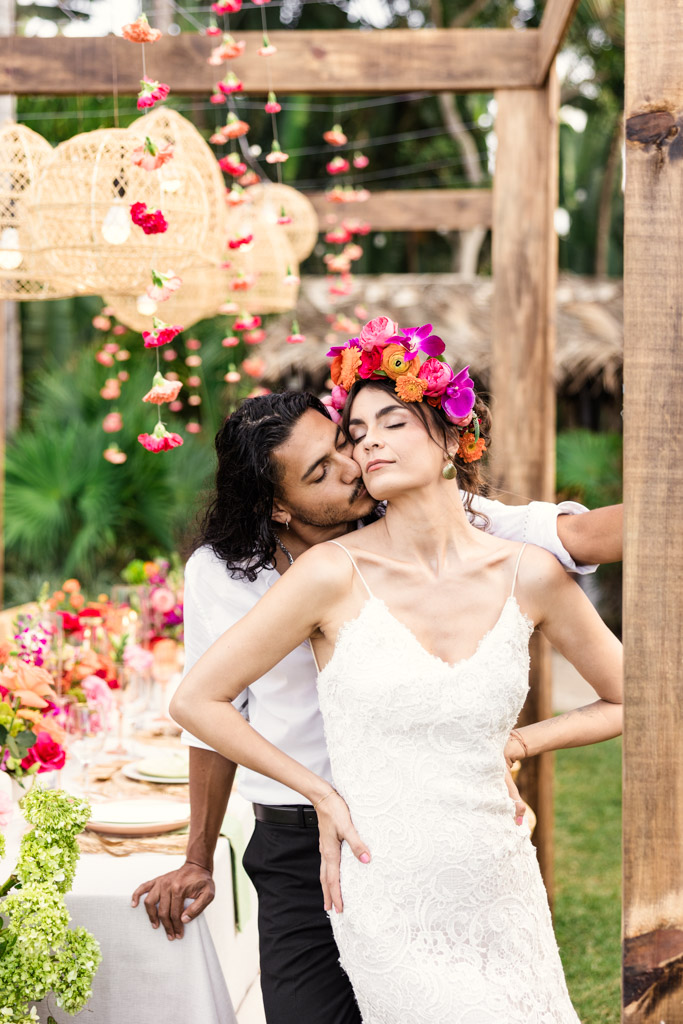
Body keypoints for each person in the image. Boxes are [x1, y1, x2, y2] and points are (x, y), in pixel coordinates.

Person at [168, 319, 623, 1023]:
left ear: (447, 438)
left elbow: (587, 541)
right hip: (317, 835)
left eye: (354, 438)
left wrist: (514, 745)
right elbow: (203, 708)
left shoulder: (491, 539)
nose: (358, 457)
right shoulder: (256, 574)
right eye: (332, 461)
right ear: (281, 505)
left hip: (475, 851)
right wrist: (216, 845)